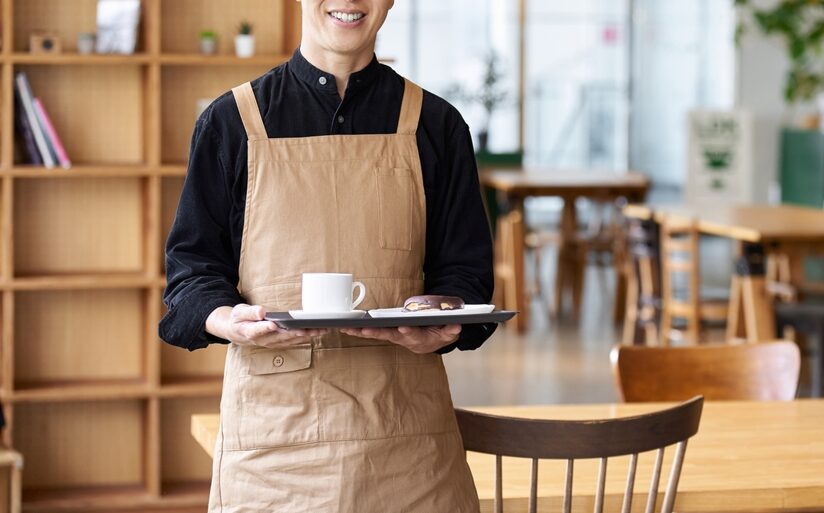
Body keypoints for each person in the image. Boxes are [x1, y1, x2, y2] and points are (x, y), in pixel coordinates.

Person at [159, 0, 496, 511]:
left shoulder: (438, 125)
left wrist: (445, 317)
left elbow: (467, 275)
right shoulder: (231, 122)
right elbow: (191, 276)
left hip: (407, 441)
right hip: (272, 450)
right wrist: (227, 319)